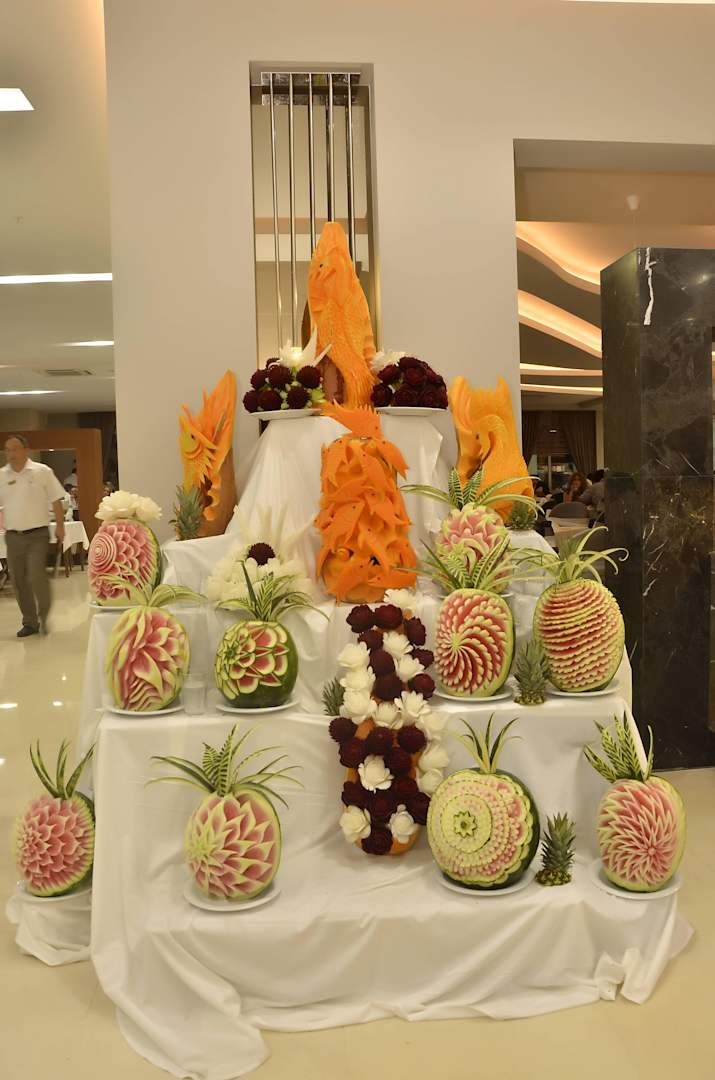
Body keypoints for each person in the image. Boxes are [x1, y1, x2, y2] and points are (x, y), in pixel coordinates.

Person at [0, 435, 66, 637]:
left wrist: (60, 526)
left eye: (15, 448)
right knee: (19, 580)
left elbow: (56, 499)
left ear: (26, 450)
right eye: (7, 449)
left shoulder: (41, 471)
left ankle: (43, 617)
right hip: (13, 536)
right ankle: (30, 622)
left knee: (37, 576)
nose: (11, 453)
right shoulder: (2, 475)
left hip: (38, 534)